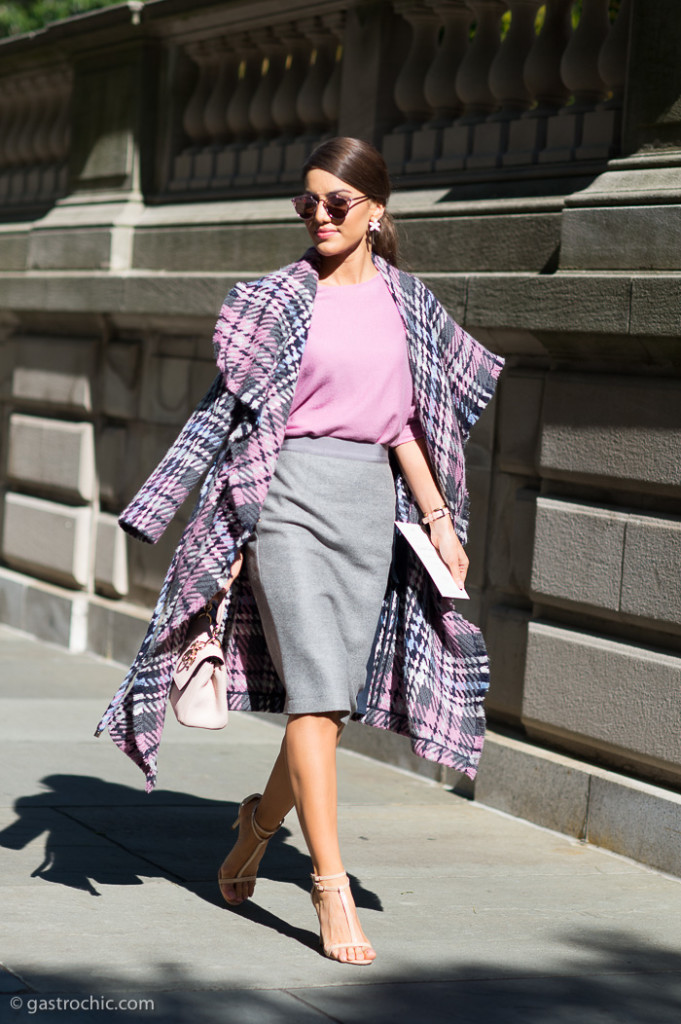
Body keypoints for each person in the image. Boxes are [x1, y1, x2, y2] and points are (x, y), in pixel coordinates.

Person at [96, 137, 504, 967]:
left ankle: (254, 828)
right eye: (306, 203)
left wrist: (439, 521)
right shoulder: (276, 300)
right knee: (313, 699)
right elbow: (225, 413)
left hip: (368, 510)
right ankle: (330, 886)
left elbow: (404, 427)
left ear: (376, 211)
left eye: (336, 203)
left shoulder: (409, 305)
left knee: (330, 710)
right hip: (283, 499)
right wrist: (181, 510)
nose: (319, 216)